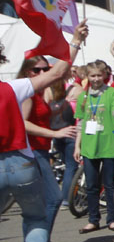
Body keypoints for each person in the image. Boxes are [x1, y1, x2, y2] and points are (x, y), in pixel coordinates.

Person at [1, 28, 86, 242]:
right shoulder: (12, 88)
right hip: (22, 162)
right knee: (35, 216)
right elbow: (57, 73)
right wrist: (75, 41)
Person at [18, 57, 76, 242]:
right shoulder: (27, 94)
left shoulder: (39, 92)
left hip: (39, 151)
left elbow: (61, 72)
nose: (42, 73)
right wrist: (56, 134)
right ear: (26, 72)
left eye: (45, 69)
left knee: (38, 203)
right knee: (53, 198)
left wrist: (75, 45)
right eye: (36, 69)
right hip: (31, 152)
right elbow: (22, 123)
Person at [75, 60, 114, 234]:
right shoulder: (83, 96)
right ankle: (93, 219)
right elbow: (80, 123)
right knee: (91, 185)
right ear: (87, 76)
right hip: (89, 146)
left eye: (98, 75)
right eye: (92, 75)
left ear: (104, 75)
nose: (96, 79)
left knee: (110, 184)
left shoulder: (113, 93)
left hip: (109, 144)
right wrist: (77, 146)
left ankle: (112, 219)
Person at [45, 76, 77, 205]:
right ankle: (66, 197)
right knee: (71, 166)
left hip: (56, 133)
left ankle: (64, 194)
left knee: (66, 164)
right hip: (70, 132)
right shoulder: (73, 89)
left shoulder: (48, 91)